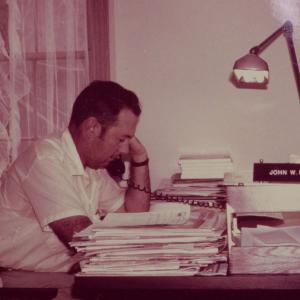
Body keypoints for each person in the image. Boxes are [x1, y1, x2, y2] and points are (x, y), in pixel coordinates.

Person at [0, 80, 151, 272]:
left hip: (59, 274)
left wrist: (140, 158)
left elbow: (134, 217)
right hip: (19, 280)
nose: (123, 149)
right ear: (92, 127)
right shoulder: (46, 159)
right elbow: (83, 238)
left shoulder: (92, 166)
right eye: (121, 139)